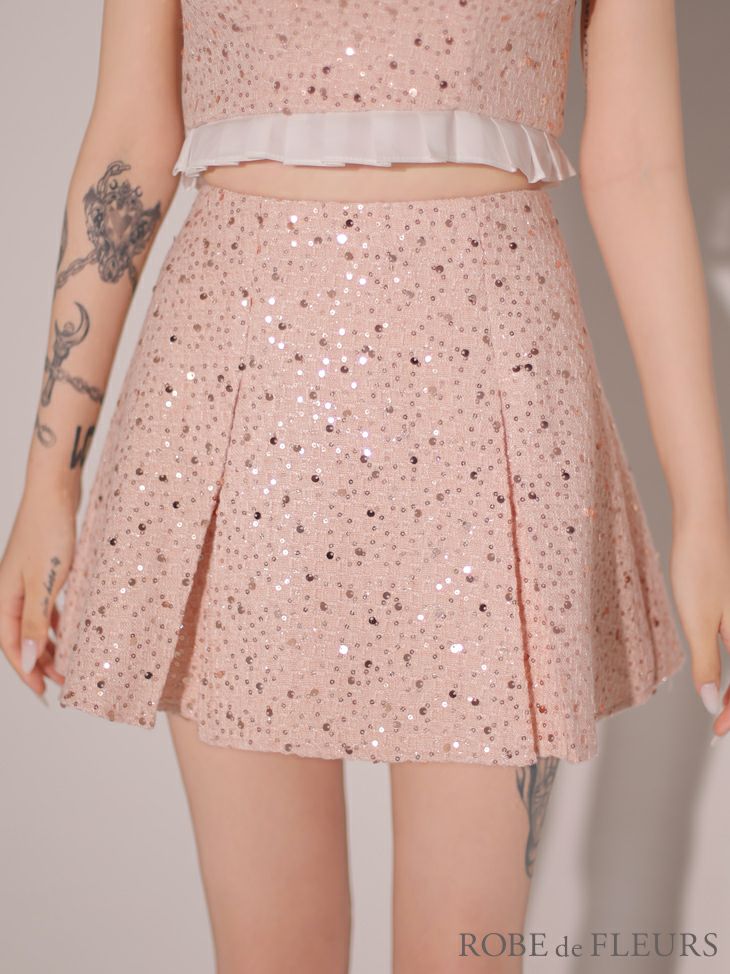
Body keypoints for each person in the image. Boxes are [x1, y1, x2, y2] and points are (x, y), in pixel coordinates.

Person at [1, 0, 728, 971]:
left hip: (495, 393)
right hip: (233, 386)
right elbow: (132, 134)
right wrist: (49, 480)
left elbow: (637, 164)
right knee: (272, 956)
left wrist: (705, 510)